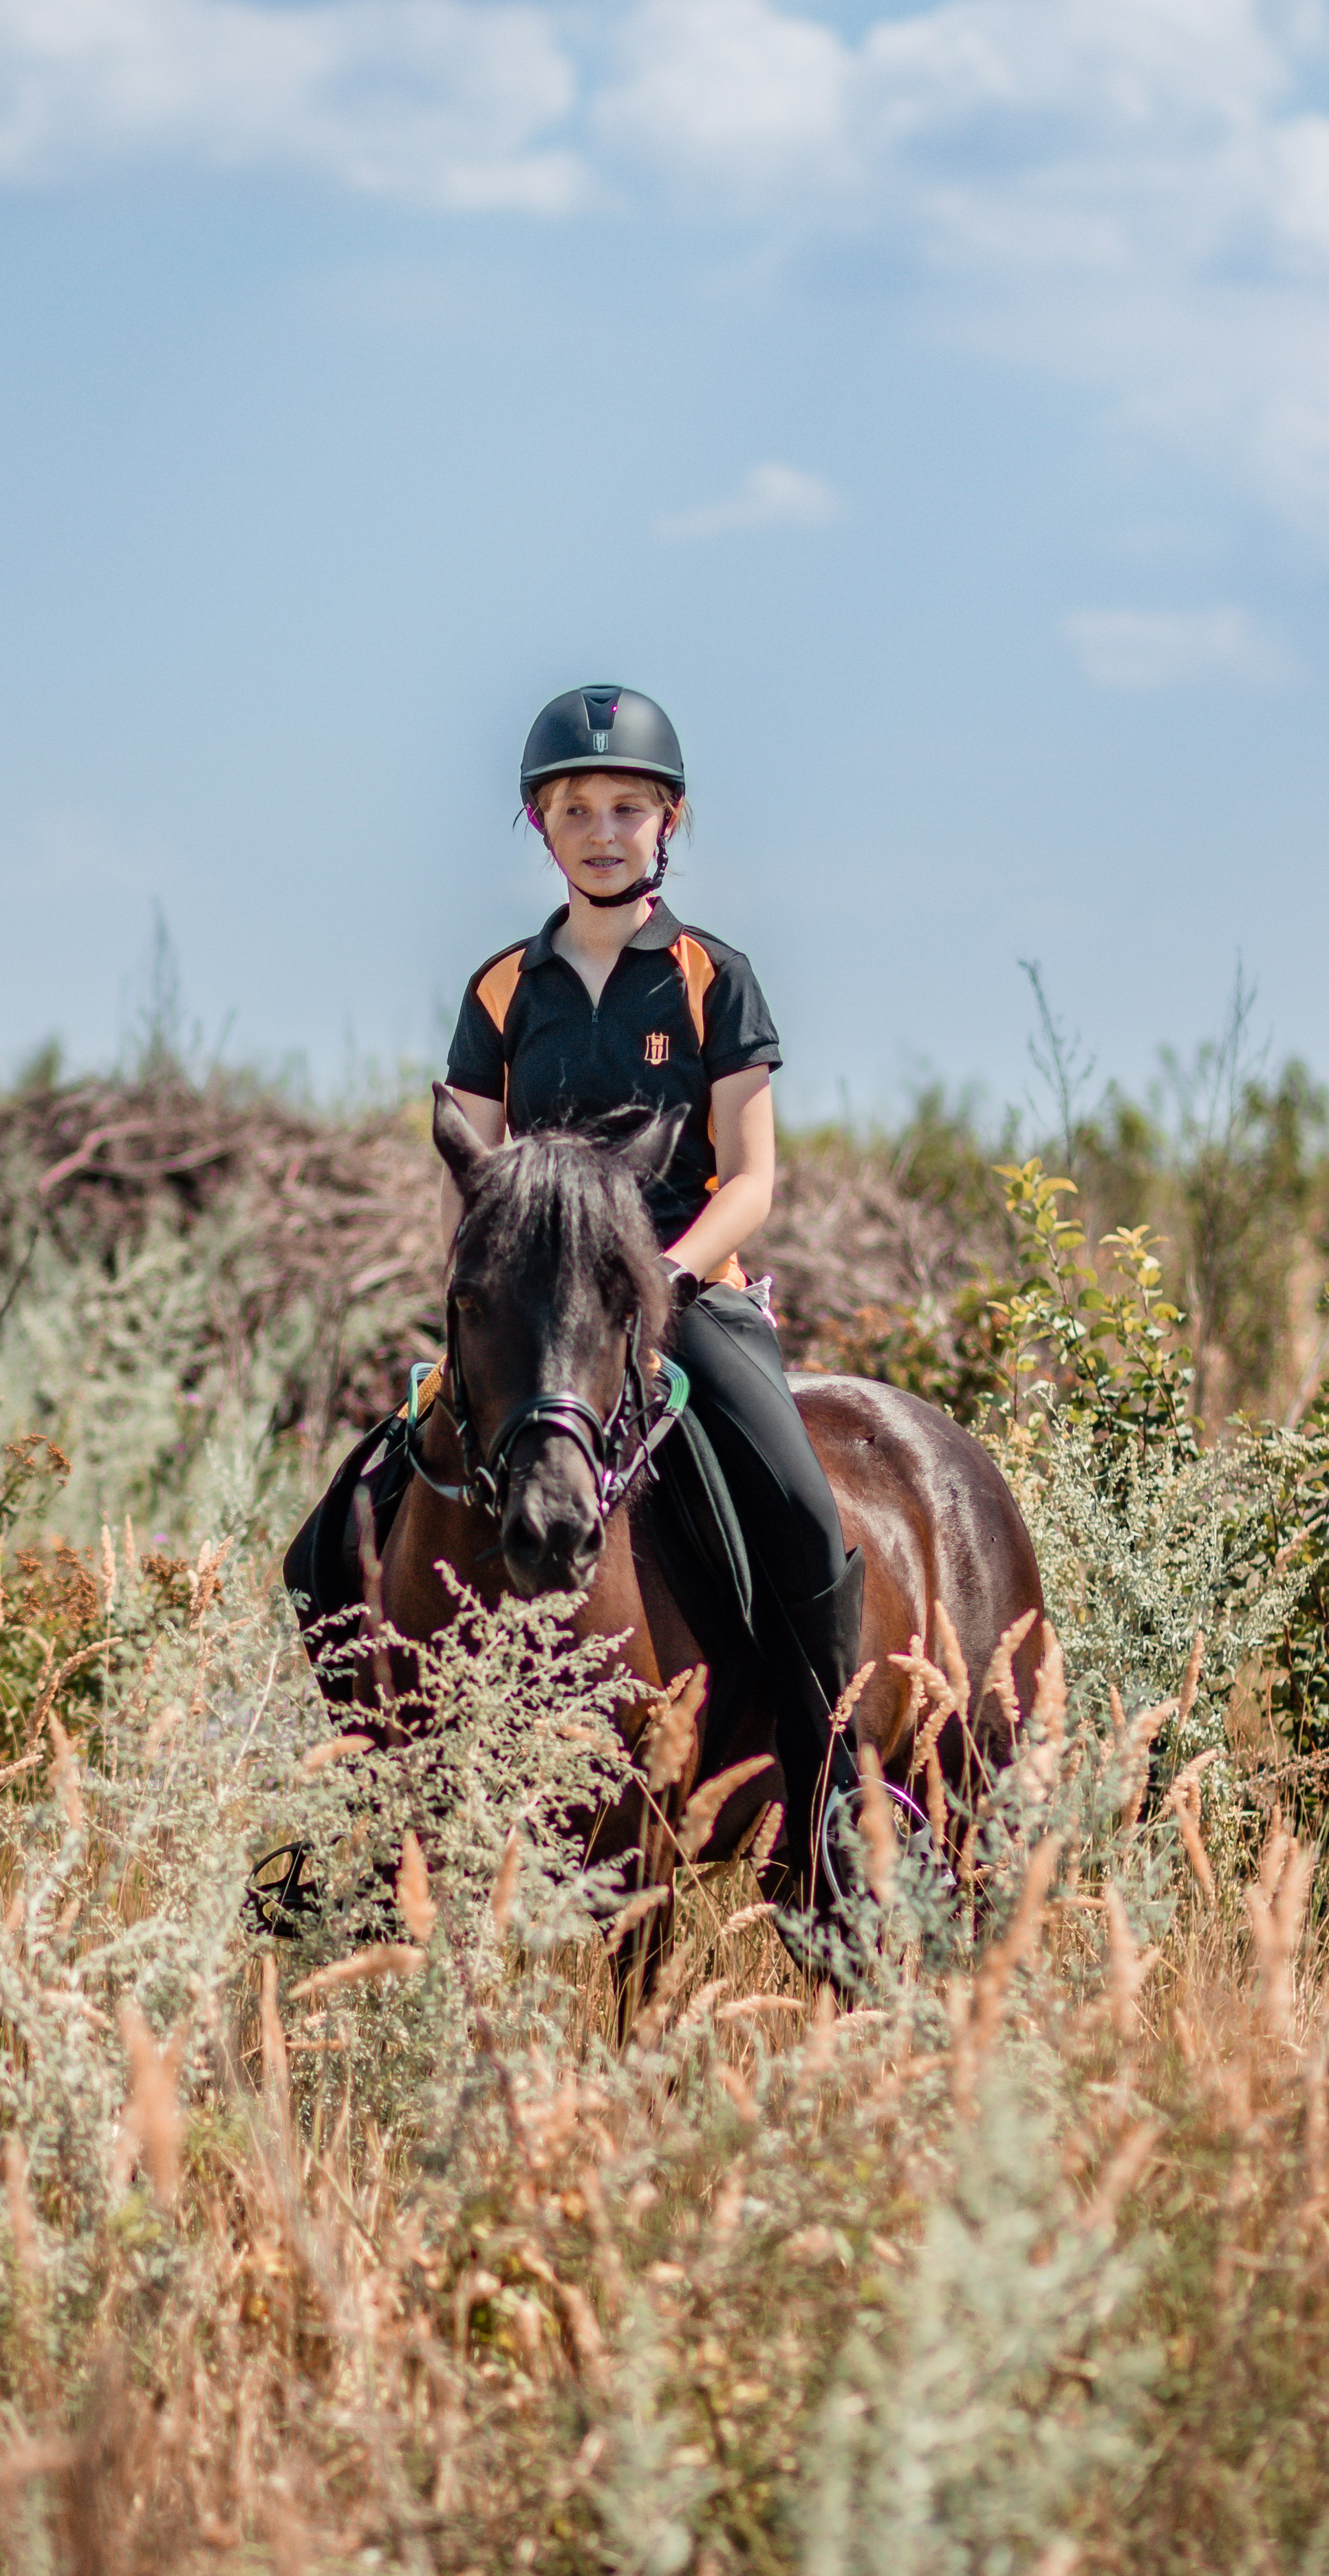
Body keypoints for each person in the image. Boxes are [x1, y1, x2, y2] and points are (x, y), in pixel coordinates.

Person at [442, 684, 865, 1868]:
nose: (602, 830)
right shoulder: (499, 990)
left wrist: (664, 1276)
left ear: (667, 820)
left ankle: (832, 1793)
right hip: (536, 1312)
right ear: (541, 826)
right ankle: (372, 1821)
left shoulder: (713, 976)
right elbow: (470, 1178)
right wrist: (472, 1308)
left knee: (802, 1513)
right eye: (574, 808)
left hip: (687, 1297)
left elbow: (753, 1179)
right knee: (339, 1525)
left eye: (627, 806)